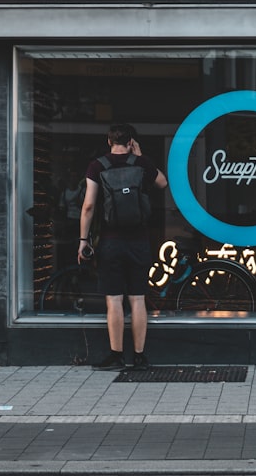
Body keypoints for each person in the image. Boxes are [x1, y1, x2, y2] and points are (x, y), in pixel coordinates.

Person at [79, 123, 168, 371]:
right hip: (139, 241)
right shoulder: (141, 164)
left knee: (114, 300)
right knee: (138, 299)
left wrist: (83, 241)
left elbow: (88, 206)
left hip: (111, 242)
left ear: (109, 142)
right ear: (131, 142)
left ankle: (116, 355)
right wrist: (140, 156)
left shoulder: (97, 166)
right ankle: (139, 357)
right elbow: (162, 182)